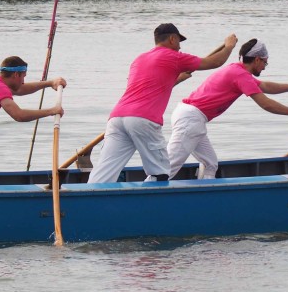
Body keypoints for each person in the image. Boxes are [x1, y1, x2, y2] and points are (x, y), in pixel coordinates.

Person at [87, 23, 238, 184]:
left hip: (117, 118)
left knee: (104, 171)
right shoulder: (174, 57)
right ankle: (149, 204)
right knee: (160, 173)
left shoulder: (139, 59)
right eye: (179, 42)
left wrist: (177, 76)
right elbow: (214, 62)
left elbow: (151, 88)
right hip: (143, 119)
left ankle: (88, 199)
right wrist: (228, 47)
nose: (180, 47)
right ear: (172, 39)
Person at [165, 38, 288, 179]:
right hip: (190, 119)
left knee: (211, 165)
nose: (265, 66)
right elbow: (266, 104)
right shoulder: (240, 75)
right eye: (265, 62)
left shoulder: (238, 70)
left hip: (191, 117)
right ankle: (146, 196)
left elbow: (264, 86)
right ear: (257, 59)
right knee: (166, 169)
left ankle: (205, 196)